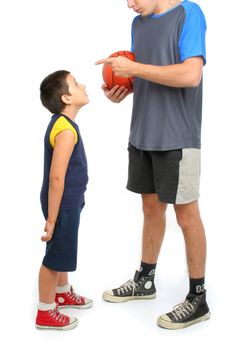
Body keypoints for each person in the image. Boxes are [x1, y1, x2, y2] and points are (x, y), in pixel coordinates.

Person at [96, 0, 210, 330]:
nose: (129, 3)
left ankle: (198, 298)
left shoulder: (190, 13)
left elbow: (191, 75)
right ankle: (145, 280)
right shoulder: (139, 24)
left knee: (186, 215)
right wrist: (124, 89)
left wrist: (136, 70)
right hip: (142, 132)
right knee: (149, 208)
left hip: (178, 136)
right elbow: (149, 75)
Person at [35, 70, 93, 331]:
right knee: (55, 256)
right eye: (76, 83)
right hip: (61, 205)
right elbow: (56, 178)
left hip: (68, 202)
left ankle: (62, 292)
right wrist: (52, 219)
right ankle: (45, 311)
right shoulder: (66, 131)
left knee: (64, 249)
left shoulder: (64, 124)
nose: (83, 85)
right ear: (67, 98)